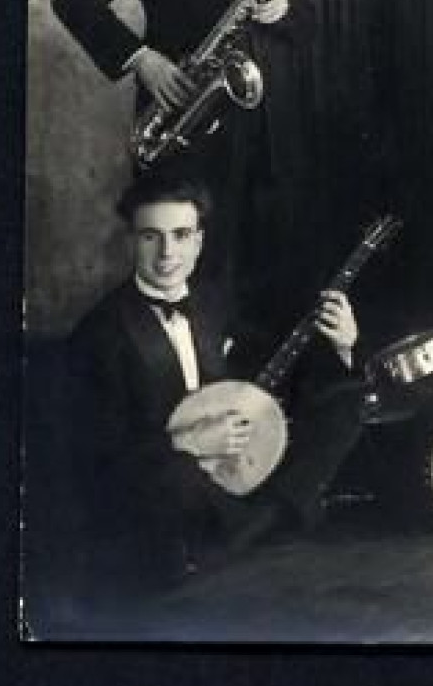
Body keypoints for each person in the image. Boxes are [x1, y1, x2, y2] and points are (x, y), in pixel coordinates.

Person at [52, 0, 313, 322]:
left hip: (270, 133)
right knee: (200, 274)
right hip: (194, 128)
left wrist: (286, 9)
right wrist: (140, 58)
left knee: (271, 273)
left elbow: (307, 24)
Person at [69, 169, 364, 590]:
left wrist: (342, 345)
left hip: (231, 469)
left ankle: (243, 529)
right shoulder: (98, 334)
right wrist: (188, 442)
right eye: (151, 236)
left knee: (345, 401)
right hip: (168, 478)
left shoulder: (213, 302)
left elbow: (276, 373)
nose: (167, 252)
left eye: (181, 235)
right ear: (131, 241)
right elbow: (98, 458)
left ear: (199, 241)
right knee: (171, 478)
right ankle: (264, 524)